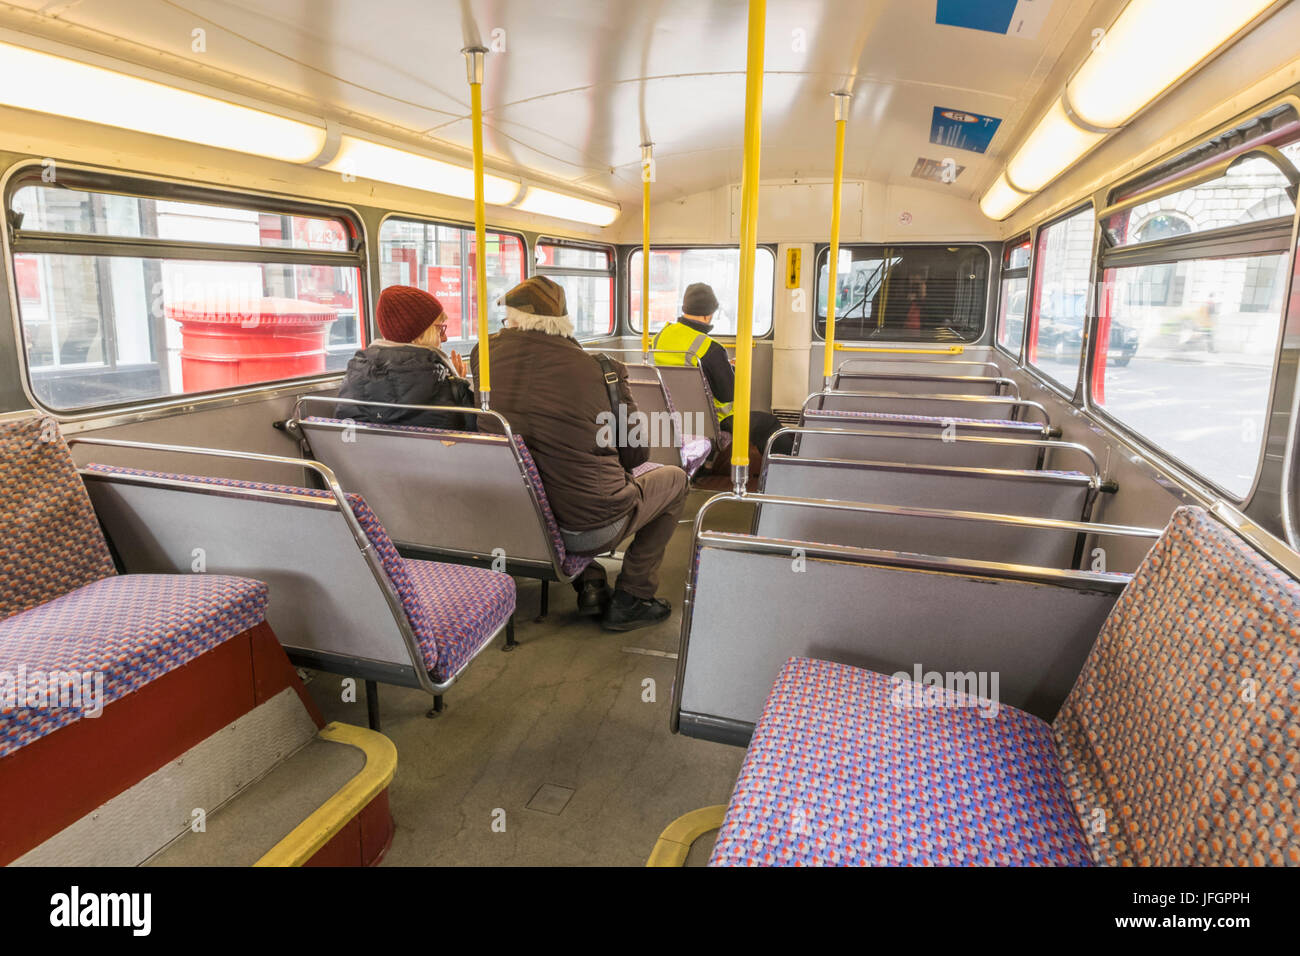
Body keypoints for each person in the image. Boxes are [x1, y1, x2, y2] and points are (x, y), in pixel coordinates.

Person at [470, 276, 687, 632]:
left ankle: (590, 579)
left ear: (512, 319)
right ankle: (633, 596)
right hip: (586, 528)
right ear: (563, 320)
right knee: (675, 481)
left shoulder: (484, 356)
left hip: (514, 519)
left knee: (549, 476)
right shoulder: (604, 371)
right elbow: (635, 455)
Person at [652, 282, 794, 459]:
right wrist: (731, 367)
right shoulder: (710, 348)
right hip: (714, 422)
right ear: (708, 315)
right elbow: (728, 394)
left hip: (671, 414)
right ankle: (789, 470)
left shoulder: (659, 337)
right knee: (769, 424)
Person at [336, 285, 476, 429]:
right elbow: (471, 436)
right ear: (419, 335)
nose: (445, 338)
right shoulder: (439, 382)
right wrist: (458, 385)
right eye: (440, 329)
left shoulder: (352, 379)